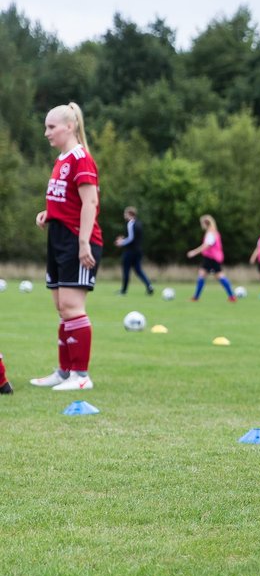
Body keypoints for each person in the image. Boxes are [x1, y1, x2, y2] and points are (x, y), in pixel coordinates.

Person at [30, 102, 103, 392]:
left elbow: (91, 202)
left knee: (73, 307)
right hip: (59, 237)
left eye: (51, 127)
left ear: (69, 127)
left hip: (77, 240)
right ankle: (64, 372)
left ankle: (81, 376)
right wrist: (49, 213)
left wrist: (83, 242)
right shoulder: (62, 159)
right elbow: (68, 198)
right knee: (62, 309)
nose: (46, 132)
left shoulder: (81, 158)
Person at [186, 215, 236, 302]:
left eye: (202, 223)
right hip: (212, 258)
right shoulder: (214, 232)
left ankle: (231, 296)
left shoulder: (211, 233)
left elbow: (207, 245)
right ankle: (231, 296)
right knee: (206, 275)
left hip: (211, 258)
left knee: (216, 276)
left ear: (205, 224)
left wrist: (194, 252)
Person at [114, 206, 154, 296]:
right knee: (138, 270)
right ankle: (149, 286)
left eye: (125, 213)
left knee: (126, 270)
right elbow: (135, 237)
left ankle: (123, 291)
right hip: (138, 250)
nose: (124, 215)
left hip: (130, 251)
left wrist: (121, 242)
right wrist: (124, 239)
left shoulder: (130, 223)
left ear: (130, 214)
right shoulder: (139, 223)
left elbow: (131, 238)